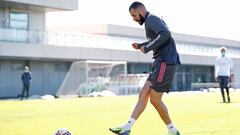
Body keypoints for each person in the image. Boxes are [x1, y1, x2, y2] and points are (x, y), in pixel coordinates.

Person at [109, 2, 181, 135]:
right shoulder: (151, 20)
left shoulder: (151, 19)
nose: (134, 19)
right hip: (160, 63)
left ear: (141, 10)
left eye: (134, 15)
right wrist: (141, 45)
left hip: (165, 63)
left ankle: (172, 130)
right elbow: (159, 38)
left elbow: (166, 34)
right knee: (143, 94)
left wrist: (146, 48)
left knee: (155, 99)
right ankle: (127, 127)